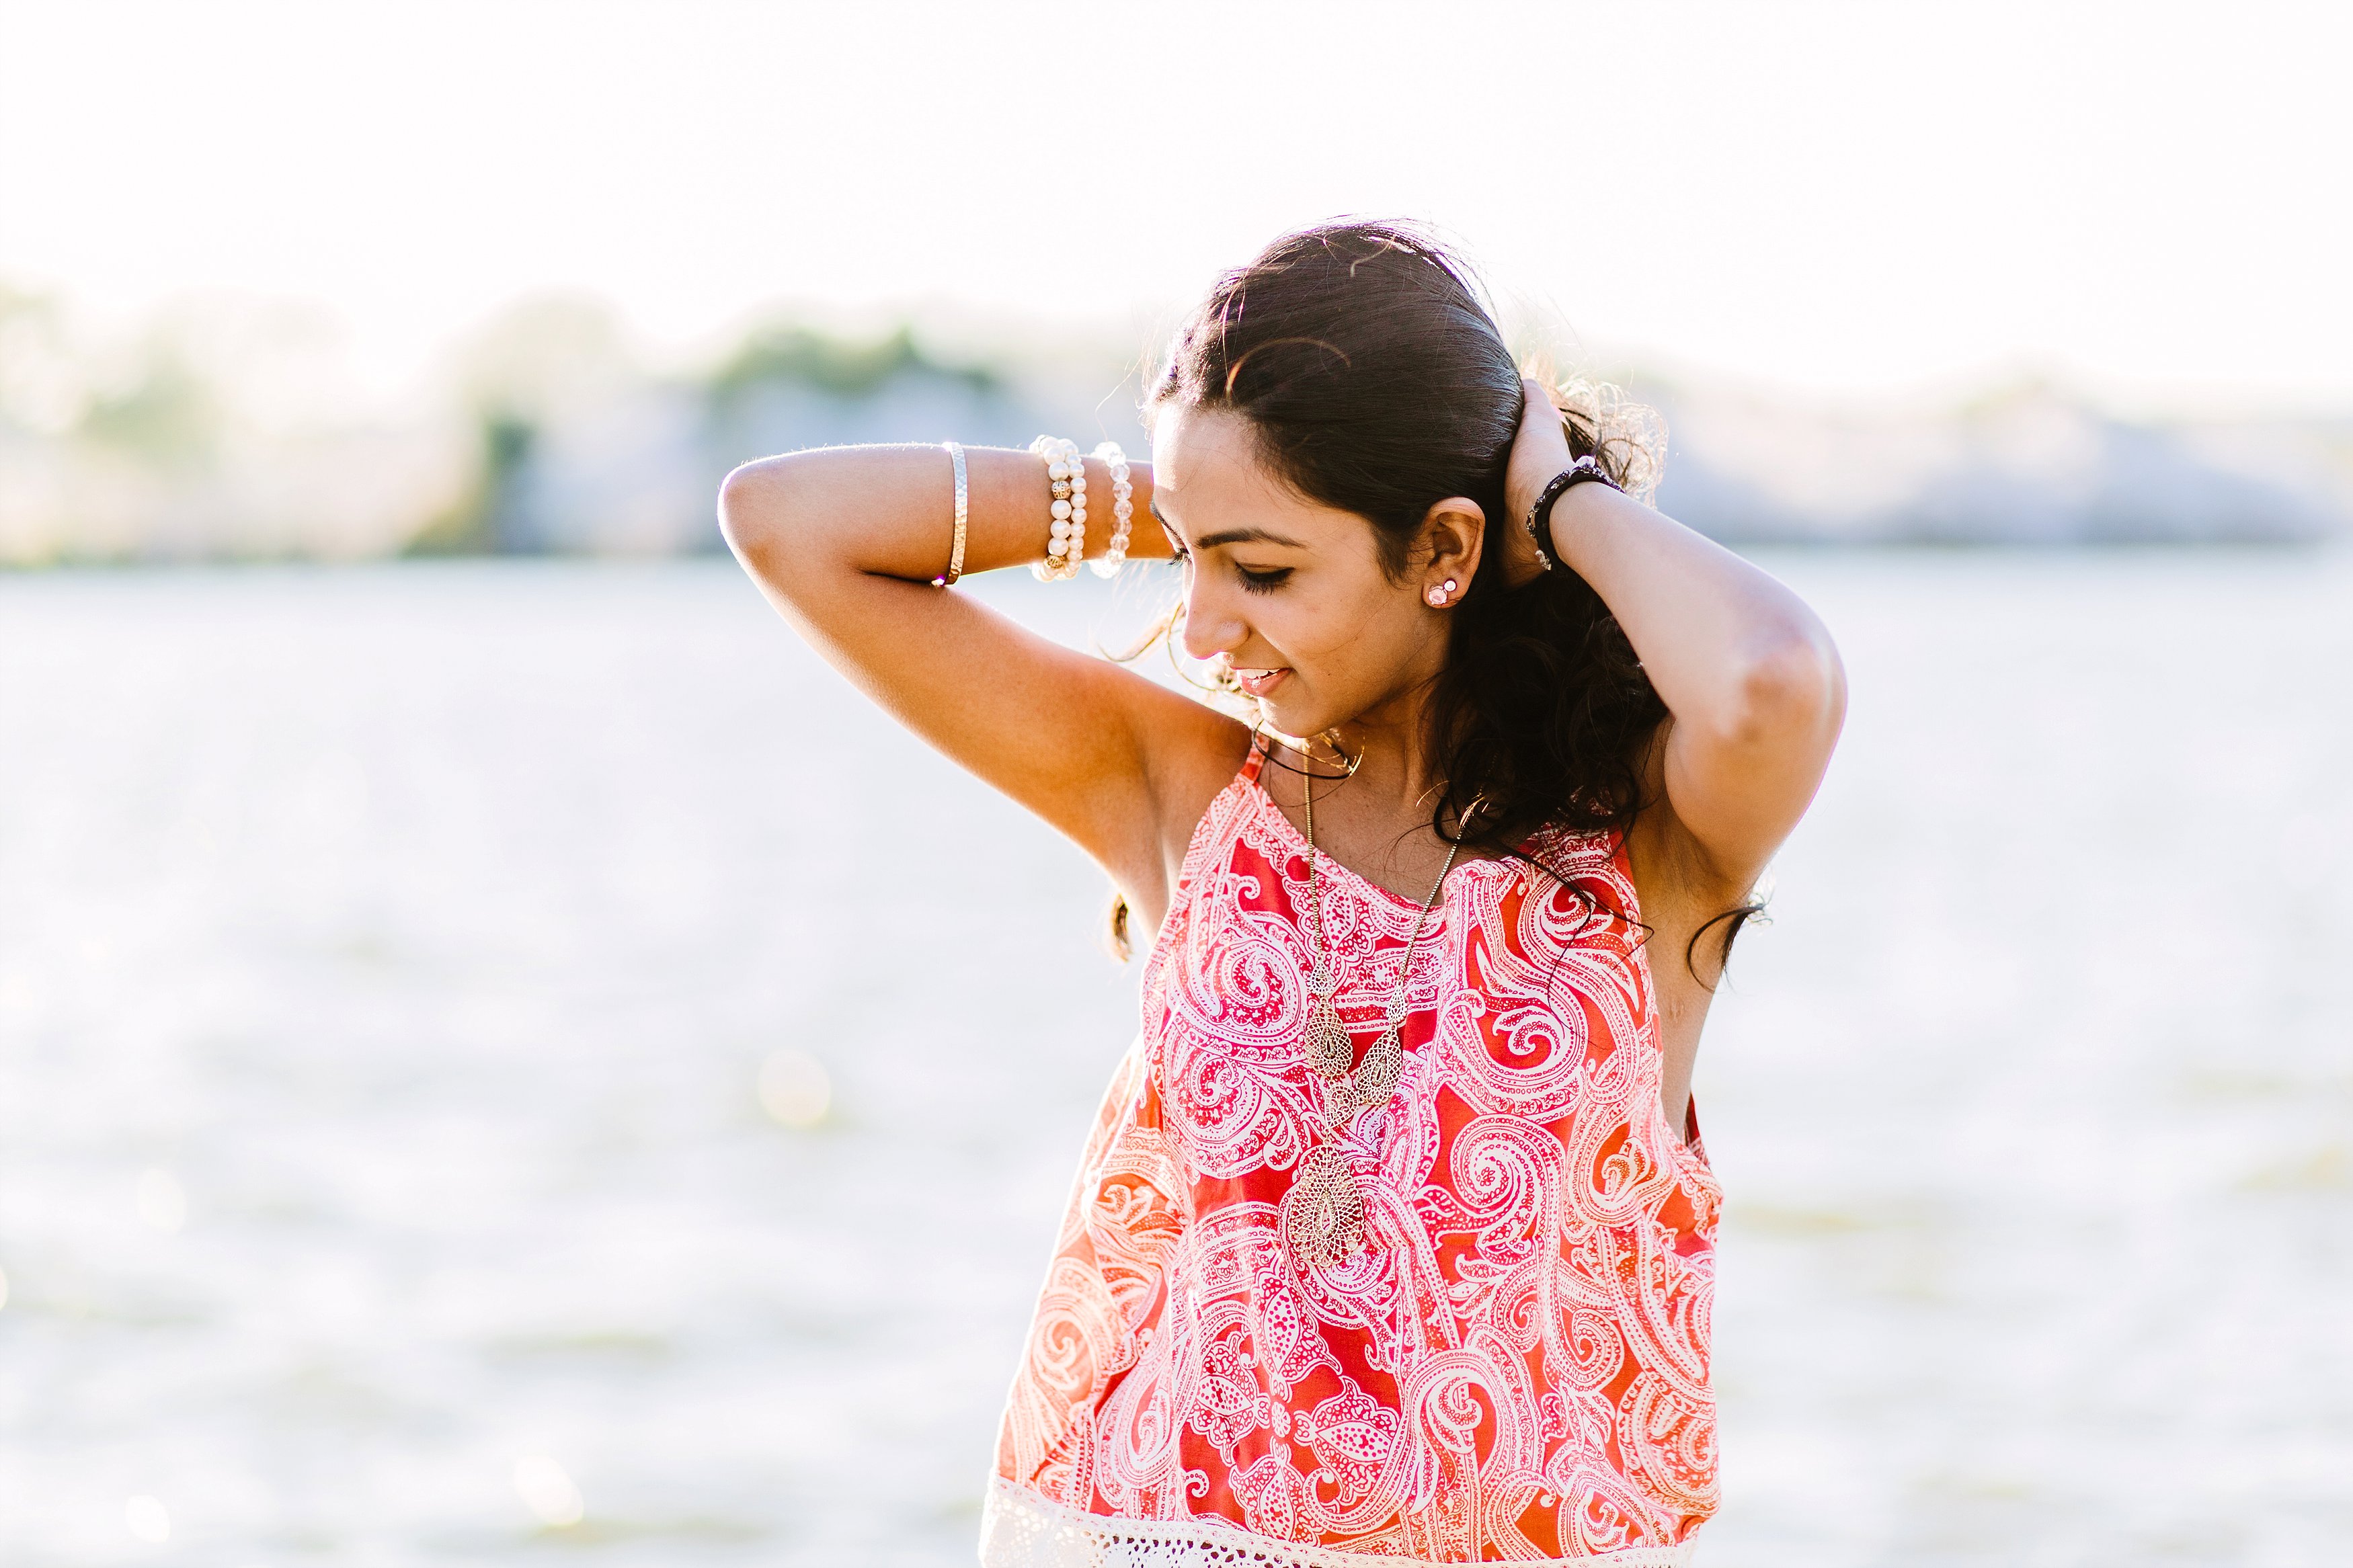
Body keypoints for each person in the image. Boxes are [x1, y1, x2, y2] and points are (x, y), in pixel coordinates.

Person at [718, 221, 1845, 1567]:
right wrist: (1202, 501)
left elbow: (1773, 676)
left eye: (1261, 575)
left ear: (1442, 546)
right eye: (1194, 564)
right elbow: (788, 523)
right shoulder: (1187, 795)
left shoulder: (1644, 855)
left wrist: (1553, 506)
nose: (1200, 629)